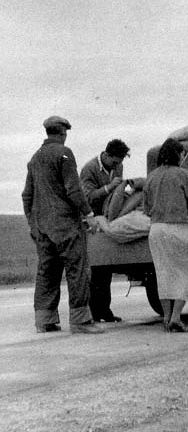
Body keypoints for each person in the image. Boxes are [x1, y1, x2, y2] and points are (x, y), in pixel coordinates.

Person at [21, 116, 104, 334]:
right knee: (77, 270)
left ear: (47, 132)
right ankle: (80, 321)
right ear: (63, 133)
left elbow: (26, 196)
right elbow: (74, 189)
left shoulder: (35, 158)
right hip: (66, 225)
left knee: (47, 271)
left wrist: (33, 225)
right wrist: (89, 213)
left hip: (43, 227)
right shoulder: (64, 153)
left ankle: (44, 320)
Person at [143, 138, 188, 332]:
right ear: (177, 155)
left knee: (164, 275)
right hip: (179, 228)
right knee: (186, 274)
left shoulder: (151, 177)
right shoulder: (182, 174)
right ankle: (176, 317)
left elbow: (146, 209)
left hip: (156, 230)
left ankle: (167, 317)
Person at [80, 139, 130, 322]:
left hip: (108, 220)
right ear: (107, 155)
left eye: (120, 163)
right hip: (93, 221)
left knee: (106, 268)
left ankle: (104, 310)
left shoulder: (118, 166)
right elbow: (86, 197)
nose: (118, 166)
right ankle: (94, 311)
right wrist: (109, 187)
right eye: (115, 162)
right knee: (96, 268)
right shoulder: (89, 169)